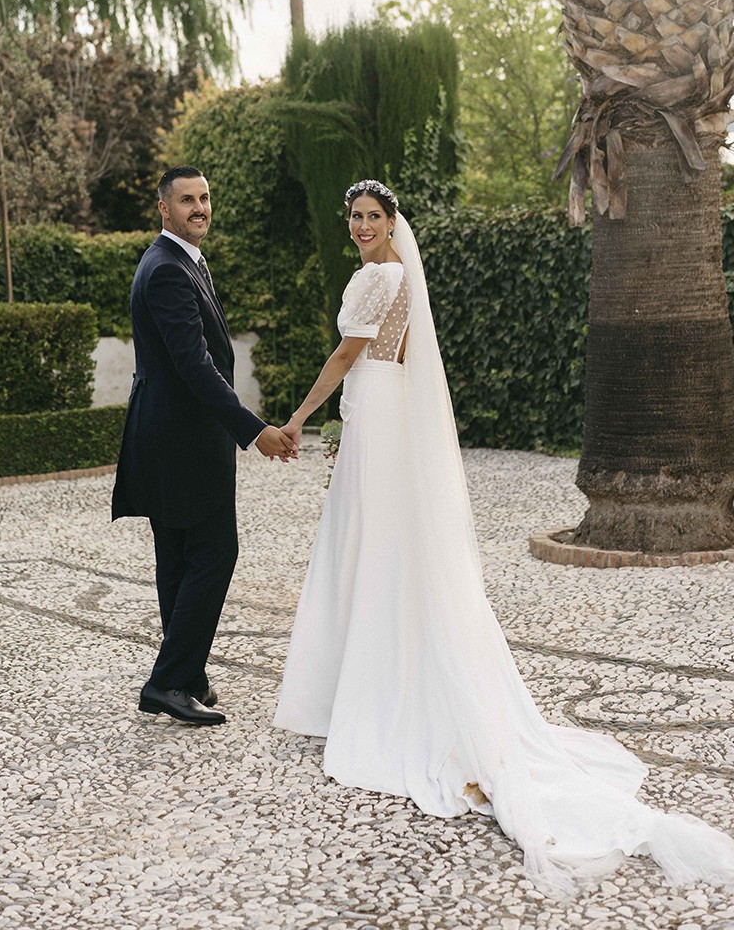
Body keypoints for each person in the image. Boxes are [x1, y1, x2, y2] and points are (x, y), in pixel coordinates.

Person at [274, 178, 734, 896]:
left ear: (393, 221)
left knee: (370, 549)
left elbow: (344, 358)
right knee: (382, 548)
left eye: (373, 216)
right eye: (356, 216)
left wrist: (299, 418)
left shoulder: (376, 277)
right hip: (380, 415)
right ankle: (364, 676)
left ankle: (369, 694)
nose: (363, 225)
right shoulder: (394, 275)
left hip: (374, 415)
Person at [112, 165, 296, 727]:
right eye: (187, 200)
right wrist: (253, 429)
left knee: (179, 557)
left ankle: (185, 674)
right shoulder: (168, 269)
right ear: (163, 209)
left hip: (167, 432)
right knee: (216, 553)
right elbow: (196, 366)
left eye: (206, 198)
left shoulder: (180, 260)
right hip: (183, 438)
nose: (200, 208)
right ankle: (167, 680)